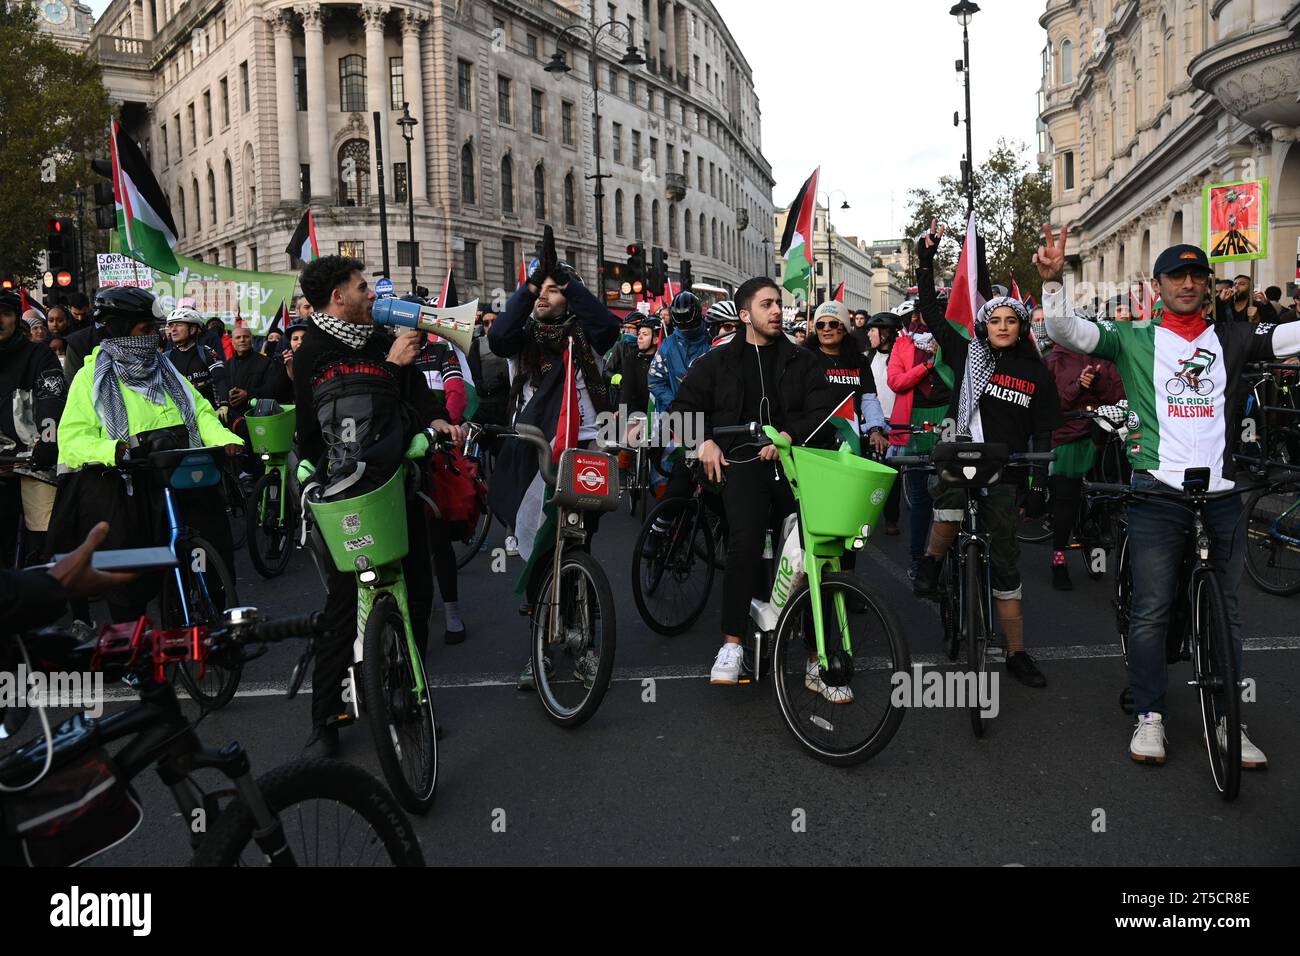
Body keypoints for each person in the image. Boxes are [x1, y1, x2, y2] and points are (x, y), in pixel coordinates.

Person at [1040, 230, 1300, 767]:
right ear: (1156, 286)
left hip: (1223, 494)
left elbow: (1289, 339)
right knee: (1152, 609)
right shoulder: (1133, 337)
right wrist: (1051, 281)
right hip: (1158, 493)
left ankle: (1229, 720)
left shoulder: (1233, 336)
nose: (1187, 283)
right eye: (1175, 276)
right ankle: (1150, 715)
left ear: (1208, 286)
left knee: (1227, 611)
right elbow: (1067, 330)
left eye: (1196, 276)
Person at [293, 255, 458, 756]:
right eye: (362, 287)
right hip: (346, 486)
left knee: (417, 591)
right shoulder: (314, 350)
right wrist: (391, 368)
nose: (372, 295)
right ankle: (325, 719)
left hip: (395, 478)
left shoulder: (381, 340)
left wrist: (438, 421)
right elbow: (341, 416)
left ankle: (412, 700)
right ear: (338, 297)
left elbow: (411, 400)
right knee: (344, 604)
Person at [911, 221, 1063, 689]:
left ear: (1020, 328)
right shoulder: (965, 351)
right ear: (984, 326)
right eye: (994, 320)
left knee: (1006, 564)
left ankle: (1016, 652)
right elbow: (932, 315)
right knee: (949, 510)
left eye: (1010, 321)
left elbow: (1043, 434)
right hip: (960, 459)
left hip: (1007, 472)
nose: (1001, 327)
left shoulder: (1034, 372)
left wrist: (1039, 486)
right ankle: (932, 566)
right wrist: (926, 261)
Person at [670, 276, 836, 691]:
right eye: (766, 305)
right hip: (740, 465)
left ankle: (819, 659)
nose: (777, 311)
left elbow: (823, 413)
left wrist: (789, 438)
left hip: (795, 467)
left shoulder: (804, 361)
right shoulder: (716, 362)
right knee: (743, 541)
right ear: (746, 315)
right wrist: (703, 441)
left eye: (778, 303)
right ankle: (733, 645)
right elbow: (678, 412)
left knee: (814, 552)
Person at [47, 287, 243, 625]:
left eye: (155, 329)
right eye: (144, 330)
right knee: (128, 571)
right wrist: (112, 449)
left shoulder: (167, 370)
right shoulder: (89, 378)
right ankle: (132, 644)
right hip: (129, 483)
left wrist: (224, 439)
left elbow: (201, 413)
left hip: (178, 473)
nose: (153, 337)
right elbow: (72, 438)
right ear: (120, 330)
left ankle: (212, 614)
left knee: (213, 539)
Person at [486, 226, 619, 690]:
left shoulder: (588, 336)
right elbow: (498, 335)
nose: (544, 297)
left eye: (551, 292)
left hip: (586, 451)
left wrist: (568, 280)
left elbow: (609, 326)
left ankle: (585, 643)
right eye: (538, 291)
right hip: (537, 453)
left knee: (578, 548)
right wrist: (528, 288)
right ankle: (540, 647)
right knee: (541, 548)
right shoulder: (520, 338)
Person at [1044, 318, 1124, 589]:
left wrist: (1098, 383)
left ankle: (1099, 549)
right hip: (1068, 436)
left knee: (1106, 499)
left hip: (1102, 435)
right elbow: (1053, 403)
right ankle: (1058, 560)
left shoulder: (1106, 356)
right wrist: (1079, 384)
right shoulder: (1053, 359)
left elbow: (1119, 395)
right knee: (1065, 503)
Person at [411, 297, 470, 645]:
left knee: (437, 539)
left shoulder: (442, 354)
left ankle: (451, 610)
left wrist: (440, 428)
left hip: (433, 453)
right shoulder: (388, 355)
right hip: (400, 455)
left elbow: (456, 395)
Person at [0, 292, 66, 567]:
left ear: (17, 319)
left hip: (33, 457)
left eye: (4, 313)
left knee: (46, 535)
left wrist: (48, 441)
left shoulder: (38, 354)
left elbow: (51, 399)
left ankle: (67, 602)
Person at [886, 299, 951, 578]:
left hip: (948, 420)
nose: (930, 316)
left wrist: (943, 358)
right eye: (925, 311)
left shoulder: (953, 341)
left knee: (952, 497)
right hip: (914, 425)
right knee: (921, 499)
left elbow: (963, 381)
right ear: (917, 315)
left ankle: (950, 559)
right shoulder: (903, 344)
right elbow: (896, 382)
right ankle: (917, 561)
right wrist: (927, 366)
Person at [865, 311, 903, 535]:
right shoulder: (866, 358)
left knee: (892, 473)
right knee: (870, 474)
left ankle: (891, 518)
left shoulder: (901, 356)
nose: (869, 334)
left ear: (886, 333)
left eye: (873, 330)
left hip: (895, 423)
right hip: (872, 423)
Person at [164, 305, 231, 418]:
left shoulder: (206, 352)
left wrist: (224, 404)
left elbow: (220, 378)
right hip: (180, 416)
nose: (173, 329)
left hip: (209, 413)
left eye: (179, 325)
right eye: (171, 326)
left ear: (193, 329)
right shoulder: (166, 358)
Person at [467, 309, 510, 428]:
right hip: (485, 408)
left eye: (494, 322)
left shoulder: (510, 341)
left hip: (507, 408)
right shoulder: (477, 344)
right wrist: (489, 386)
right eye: (486, 323)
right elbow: (474, 378)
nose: (490, 326)